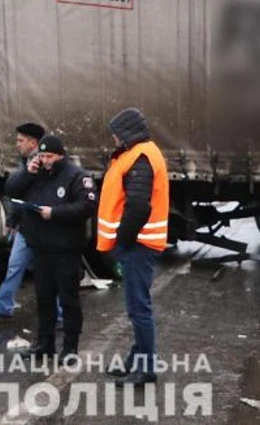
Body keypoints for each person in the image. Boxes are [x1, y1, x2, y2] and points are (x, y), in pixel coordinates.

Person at [5, 135, 96, 364]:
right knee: (44, 299)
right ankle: (45, 344)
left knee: (68, 299)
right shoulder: (36, 175)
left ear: (61, 155)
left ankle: (70, 347)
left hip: (65, 248)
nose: (45, 160)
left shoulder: (76, 176)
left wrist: (54, 213)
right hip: (41, 248)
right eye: (42, 156)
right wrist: (27, 171)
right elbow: (11, 190)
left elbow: (86, 206)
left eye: (49, 156)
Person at [97, 108, 169, 387]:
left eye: (115, 131)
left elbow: (138, 206)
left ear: (127, 131)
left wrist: (123, 241)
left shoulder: (141, 157)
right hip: (137, 244)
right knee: (137, 306)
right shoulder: (137, 154)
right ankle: (135, 360)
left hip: (138, 245)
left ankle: (146, 369)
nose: (113, 136)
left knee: (138, 308)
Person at [0, 122, 46, 320]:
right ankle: (3, 306)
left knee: (48, 274)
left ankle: (59, 316)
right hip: (25, 227)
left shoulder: (44, 163)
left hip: (42, 228)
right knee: (15, 266)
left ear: (33, 142)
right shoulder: (25, 162)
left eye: (20, 140)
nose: (17, 144)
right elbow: (15, 193)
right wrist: (12, 220)